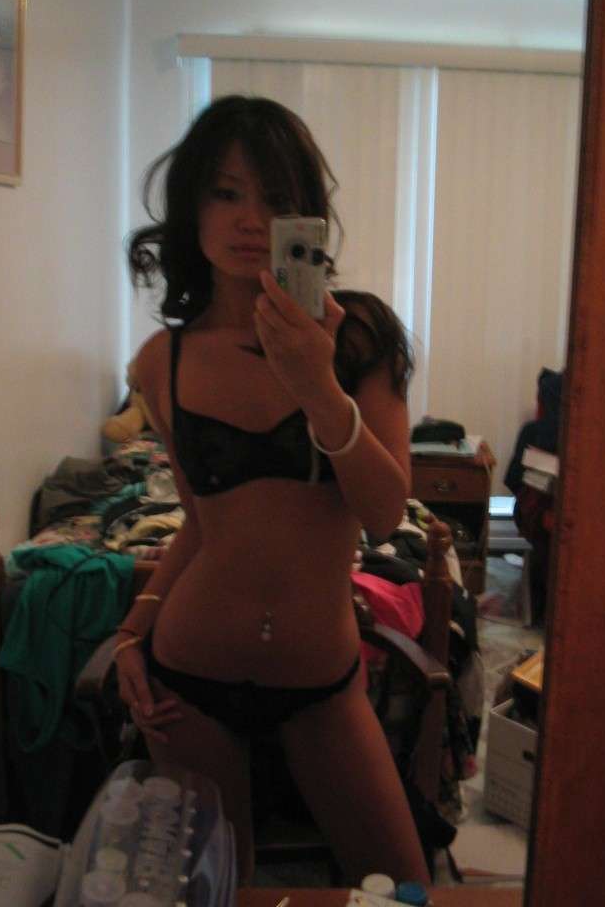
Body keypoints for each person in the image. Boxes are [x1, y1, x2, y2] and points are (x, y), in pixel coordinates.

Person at [114, 94, 430, 887]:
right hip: (190, 673)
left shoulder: (357, 336)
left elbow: (385, 513)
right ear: (192, 207)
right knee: (218, 890)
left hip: (321, 679)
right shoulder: (161, 362)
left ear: (307, 216)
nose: (251, 220)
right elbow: (201, 526)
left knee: (399, 887)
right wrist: (130, 634)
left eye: (276, 197)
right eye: (226, 193)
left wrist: (318, 384)